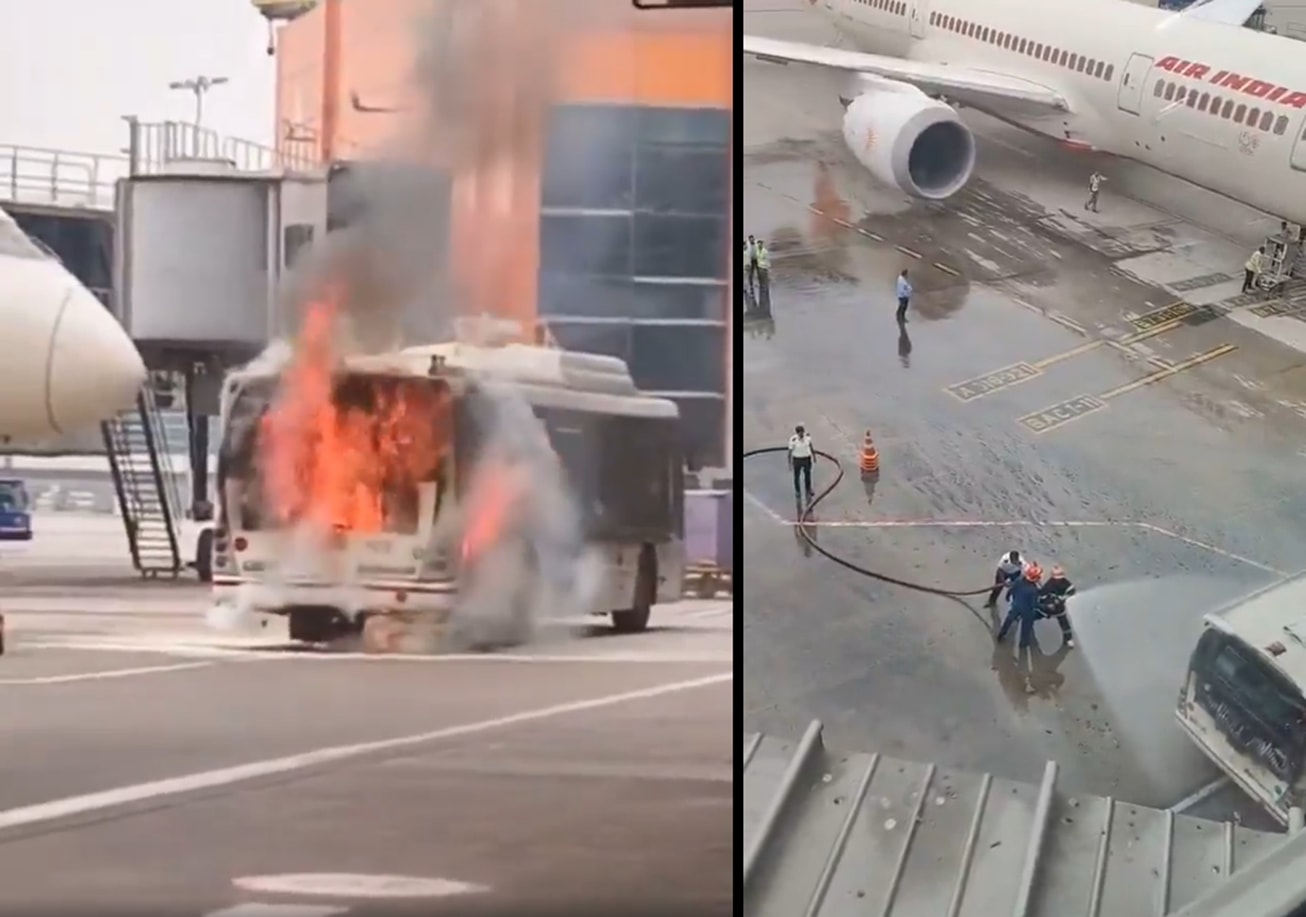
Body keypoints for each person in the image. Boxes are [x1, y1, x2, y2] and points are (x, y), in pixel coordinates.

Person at [997, 562, 1043, 648]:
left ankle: (1001, 635)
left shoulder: (1019, 580)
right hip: (1027, 611)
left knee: (1009, 620)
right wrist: (1044, 607)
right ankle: (1023, 643)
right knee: (1026, 626)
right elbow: (1034, 604)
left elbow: (1011, 589)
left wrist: (1008, 596)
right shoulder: (1034, 590)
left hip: (1016, 606)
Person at [1039, 564, 1077, 649]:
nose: (1058, 581)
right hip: (1047, 609)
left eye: (1060, 579)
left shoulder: (1066, 583)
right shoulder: (1048, 585)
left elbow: (1071, 591)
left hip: (1059, 608)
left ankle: (1068, 639)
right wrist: (1048, 604)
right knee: (1034, 615)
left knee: (1065, 624)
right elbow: (1041, 596)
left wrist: (1060, 599)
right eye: (1056, 579)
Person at [788, 424, 814, 502]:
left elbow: (811, 447)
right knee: (797, 477)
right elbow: (790, 452)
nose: (802, 434)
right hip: (797, 459)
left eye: (802, 432)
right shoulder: (793, 440)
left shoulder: (808, 438)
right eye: (800, 432)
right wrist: (789, 463)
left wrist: (814, 457)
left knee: (808, 475)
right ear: (797, 433)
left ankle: (808, 489)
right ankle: (798, 491)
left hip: (806, 458)